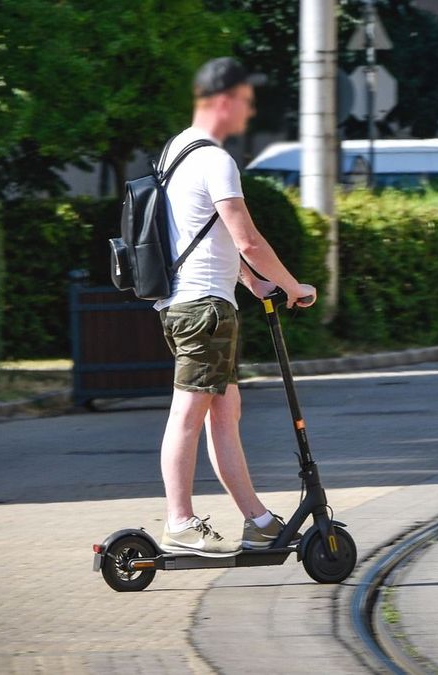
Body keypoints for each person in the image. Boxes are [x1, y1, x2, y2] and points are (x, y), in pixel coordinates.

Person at [154, 57, 316, 557]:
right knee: (190, 412)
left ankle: (259, 521)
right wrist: (291, 285)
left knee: (225, 412)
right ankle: (180, 521)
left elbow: (201, 233)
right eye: (245, 102)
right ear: (224, 100)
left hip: (192, 301)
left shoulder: (174, 151)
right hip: (204, 309)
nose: (248, 114)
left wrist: (251, 284)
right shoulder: (214, 159)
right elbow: (245, 237)